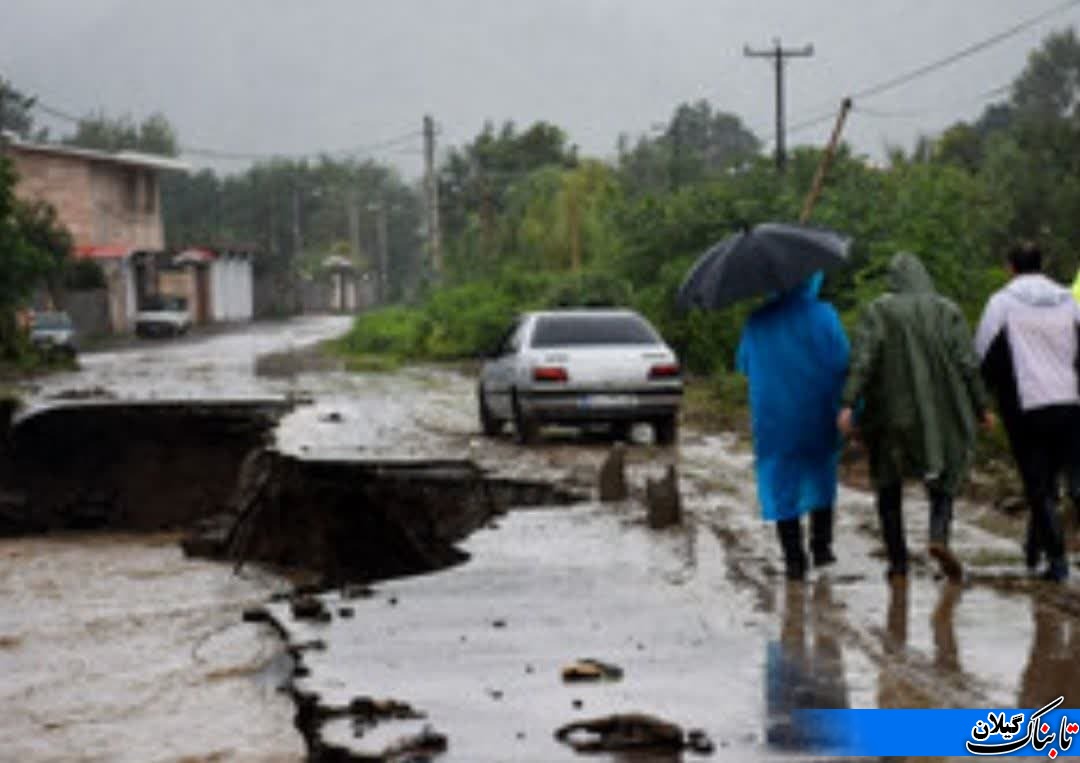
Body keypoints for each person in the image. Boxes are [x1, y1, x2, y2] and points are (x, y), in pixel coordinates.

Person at [838, 252, 992, 582]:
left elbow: (863, 360)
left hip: (891, 411)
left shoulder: (879, 310)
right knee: (944, 473)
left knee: (888, 484)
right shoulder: (947, 310)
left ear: (893, 280)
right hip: (943, 410)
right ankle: (939, 535)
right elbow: (967, 363)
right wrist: (982, 406)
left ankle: (897, 562)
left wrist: (848, 402)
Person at [974, 242, 1080, 583]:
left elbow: (984, 356)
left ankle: (1058, 561)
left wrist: (981, 402)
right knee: (1059, 480)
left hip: (1026, 405)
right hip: (1069, 401)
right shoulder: (1068, 301)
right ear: (1042, 264)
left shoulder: (1001, 303)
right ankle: (1035, 548)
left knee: (1038, 485)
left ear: (1011, 267)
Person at [737, 272, 849, 581]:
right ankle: (822, 548)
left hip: (774, 417)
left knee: (780, 479)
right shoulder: (825, 316)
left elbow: (744, 364)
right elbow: (843, 361)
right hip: (817, 412)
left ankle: (794, 559)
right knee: (820, 472)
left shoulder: (757, 320)